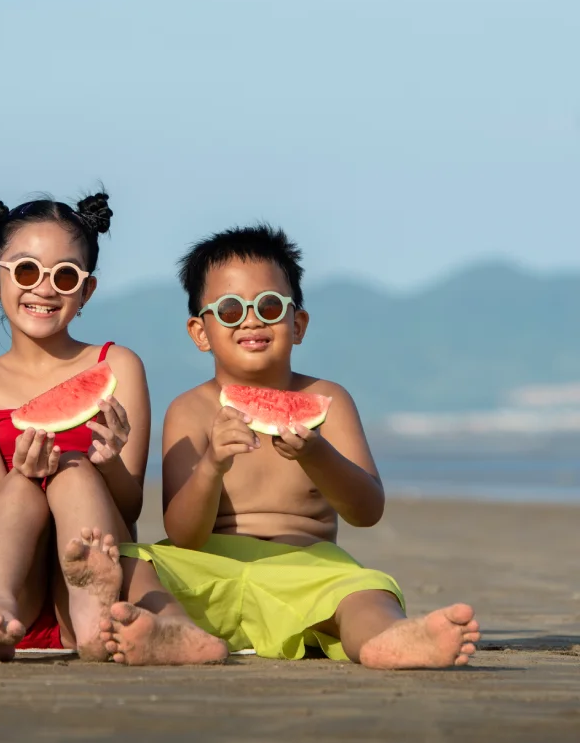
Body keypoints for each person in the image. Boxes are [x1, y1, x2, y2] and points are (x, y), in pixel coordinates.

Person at [111, 224, 481, 668]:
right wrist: (210, 466)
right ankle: (173, 630)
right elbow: (186, 535)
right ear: (200, 332)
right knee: (131, 563)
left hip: (306, 568)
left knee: (365, 592)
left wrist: (316, 454)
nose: (251, 319)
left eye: (269, 306)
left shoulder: (329, 400)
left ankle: (391, 639)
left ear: (297, 323)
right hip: (207, 570)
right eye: (229, 309)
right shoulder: (188, 410)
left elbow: (367, 511)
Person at [0, 192, 227, 663]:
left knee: (76, 472)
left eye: (65, 276)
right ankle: (1, 605)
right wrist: (23, 475)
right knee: (22, 491)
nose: (45, 289)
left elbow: (130, 503)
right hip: (10, 583)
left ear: (86, 290)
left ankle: (104, 615)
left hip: (100, 564)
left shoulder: (117, 366)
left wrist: (110, 461)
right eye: (28, 271)